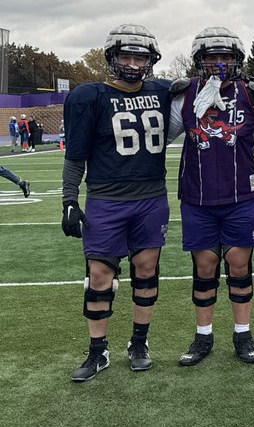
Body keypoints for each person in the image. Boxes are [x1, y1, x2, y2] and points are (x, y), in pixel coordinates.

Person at [168, 26, 254, 367]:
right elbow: (160, 138)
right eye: (211, 57)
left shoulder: (249, 95)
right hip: (198, 196)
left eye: (225, 57)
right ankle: (203, 337)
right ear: (199, 61)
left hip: (240, 196)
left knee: (238, 264)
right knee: (204, 266)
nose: (219, 63)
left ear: (237, 60)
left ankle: (242, 334)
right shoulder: (186, 96)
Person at [60, 25, 172, 382]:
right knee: (99, 274)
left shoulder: (163, 91)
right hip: (106, 199)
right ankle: (97, 351)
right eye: (126, 56)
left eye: (140, 57)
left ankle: (139, 343)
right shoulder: (89, 96)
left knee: (146, 269)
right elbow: (76, 156)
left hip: (151, 197)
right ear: (111, 57)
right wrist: (68, 199)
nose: (133, 64)